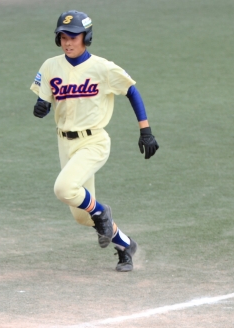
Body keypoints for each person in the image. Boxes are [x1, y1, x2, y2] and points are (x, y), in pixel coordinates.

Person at [30, 10, 159, 272]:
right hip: (65, 144)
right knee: (81, 215)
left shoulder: (103, 68)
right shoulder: (50, 66)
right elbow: (45, 100)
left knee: (64, 189)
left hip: (94, 142)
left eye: (73, 37)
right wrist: (41, 107)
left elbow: (132, 91)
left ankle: (102, 212)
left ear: (86, 37)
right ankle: (126, 246)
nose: (68, 42)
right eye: (63, 37)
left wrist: (145, 130)